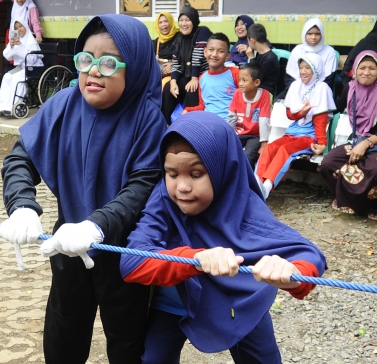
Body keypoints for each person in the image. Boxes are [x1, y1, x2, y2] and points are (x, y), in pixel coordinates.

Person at [0, 14, 167, 364]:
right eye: (85, 59)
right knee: (62, 338)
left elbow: (142, 186)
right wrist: (22, 205)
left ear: (132, 68)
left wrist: (97, 225)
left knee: (127, 344)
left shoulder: (148, 119)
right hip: (68, 245)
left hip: (126, 254)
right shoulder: (62, 106)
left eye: (108, 63)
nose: (93, 71)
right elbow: (19, 158)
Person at [120, 111, 326, 364]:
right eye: (172, 174)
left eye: (196, 174)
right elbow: (131, 262)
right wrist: (195, 258)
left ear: (223, 170)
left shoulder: (245, 207)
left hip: (239, 303)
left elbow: (309, 255)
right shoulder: (163, 200)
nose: (181, 187)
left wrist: (290, 271)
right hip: (174, 303)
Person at [319, 50, 377, 221]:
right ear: (355, 69)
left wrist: (365, 144)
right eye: (362, 68)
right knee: (328, 163)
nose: (366, 72)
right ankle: (345, 197)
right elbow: (337, 107)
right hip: (356, 140)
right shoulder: (350, 88)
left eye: (372, 68)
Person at [256, 53, 336, 199]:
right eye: (300, 67)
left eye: (308, 68)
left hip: (309, 136)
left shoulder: (322, 88)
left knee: (285, 150)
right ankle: (256, 183)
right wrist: (301, 112)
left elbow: (320, 119)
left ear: (316, 69)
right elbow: (290, 114)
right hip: (293, 131)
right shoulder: (295, 85)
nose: (303, 71)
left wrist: (322, 143)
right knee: (270, 148)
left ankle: (266, 187)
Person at [162, 6, 212, 125]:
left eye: (187, 20)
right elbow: (176, 61)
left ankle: (190, 125)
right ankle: (165, 123)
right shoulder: (179, 37)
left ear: (194, 21)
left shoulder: (202, 31)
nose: (184, 24)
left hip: (201, 73)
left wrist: (194, 78)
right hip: (188, 74)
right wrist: (174, 80)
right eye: (181, 20)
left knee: (191, 88)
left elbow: (197, 55)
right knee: (169, 87)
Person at [181, 32, 239, 122]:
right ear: (205, 52)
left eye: (221, 51)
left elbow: (245, 101)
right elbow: (203, 106)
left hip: (230, 124)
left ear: (227, 56)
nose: (214, 54)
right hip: (208, 123)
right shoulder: (202, 78)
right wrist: (188, 110)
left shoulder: (235, 73)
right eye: (211, 50)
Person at [0, 19, 42, 114]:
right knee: (7, 77)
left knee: (16, 79)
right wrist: (11, 46)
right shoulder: (17, 40)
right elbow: (7, 56)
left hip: (33, 67)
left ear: (25, 26)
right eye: (16, 28)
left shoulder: (31, 41)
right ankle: (2, 104)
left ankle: (13, 105)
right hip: (22, 67)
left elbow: (32, 59)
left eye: (20, 26)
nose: (19, 29)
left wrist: (20, 46)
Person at [228, 62, 272, 170]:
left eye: (244, 80)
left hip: (255, 135)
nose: (240, 83)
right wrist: (228, 135)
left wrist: (264, 144)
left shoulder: (265, 95)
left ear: (256, 82)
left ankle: (248, 180)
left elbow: (264, 120)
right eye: (239, 80)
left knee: (249, 154)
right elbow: (232, 116)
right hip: (239, 132)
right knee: (229, 151)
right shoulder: (237, 93)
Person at [280, 18, 337, 99]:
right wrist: (298, 93)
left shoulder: (329, 52)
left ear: (322, 35)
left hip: (319, 93)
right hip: (296, 91)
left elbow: (328, 80)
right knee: (277, 104)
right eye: (309, 34)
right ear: (304, 34)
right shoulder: (298, 50)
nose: (313, 37)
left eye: (317, 34)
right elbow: (290, 78)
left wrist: (310, 93)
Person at [246, 23, 279, 97]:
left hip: (265, 93)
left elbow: (255, 77)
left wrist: (251, 58)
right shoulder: (259, 53)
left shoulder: (270, 58)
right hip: (255, 89)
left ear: (252, 40)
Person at [153, 12, 179, 86]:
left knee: (164, 84)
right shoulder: (157, 41)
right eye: (160, 22)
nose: (163, 24)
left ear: (170, 22)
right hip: (159, 71)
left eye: (166, 21)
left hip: (175, 71)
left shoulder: (179, 37)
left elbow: (185, 56)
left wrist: (172, 64)